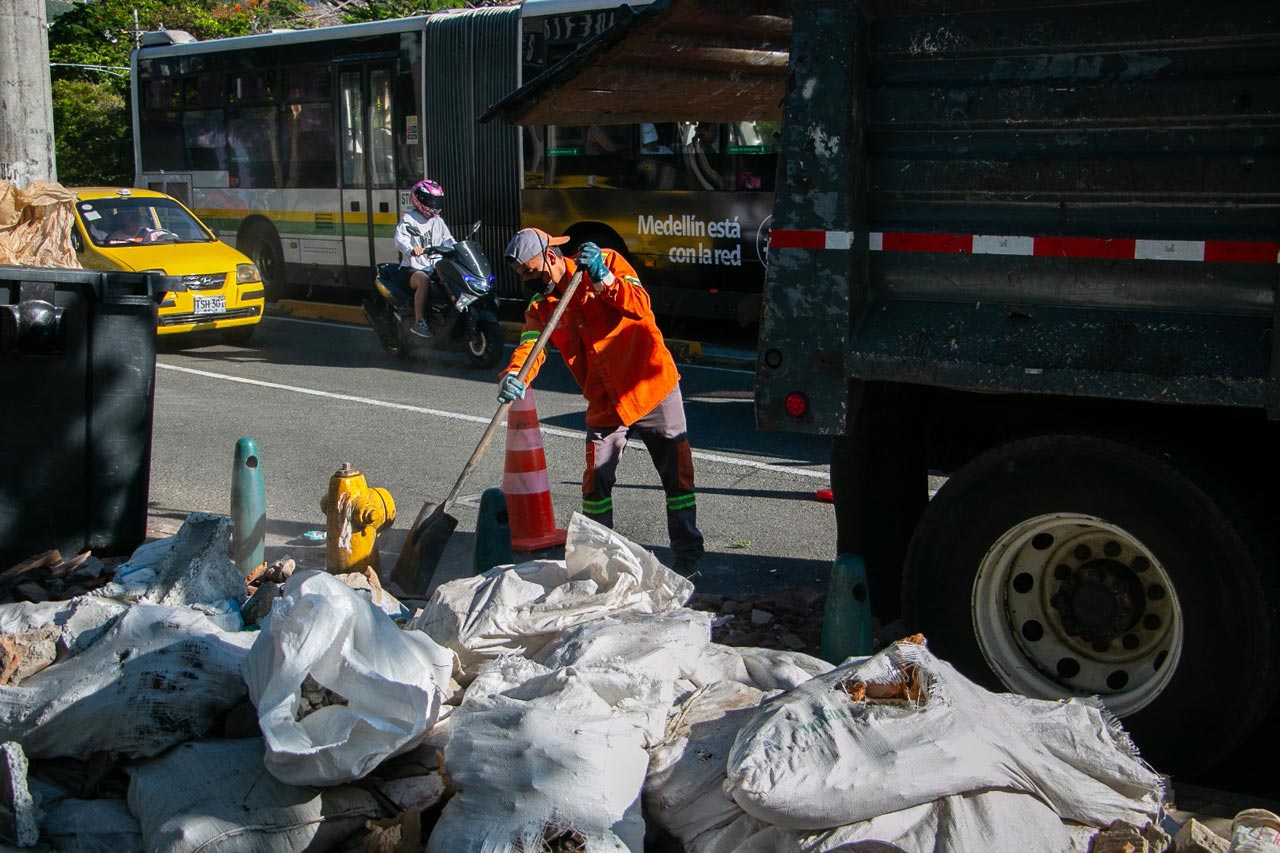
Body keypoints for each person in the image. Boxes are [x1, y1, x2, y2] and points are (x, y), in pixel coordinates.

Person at [498, 227, 706, 576]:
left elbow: (640, 306)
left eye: (531, 272)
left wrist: (603, 277)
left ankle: (688, 559)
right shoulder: (541, 307)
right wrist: (514, 376)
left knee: (678, 477)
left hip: (650, 385)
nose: (528, 281)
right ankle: (598, 563)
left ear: (550, 257)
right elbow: (531, 349)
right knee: (596, 482)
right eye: (521, 275)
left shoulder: (606, 263)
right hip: (604, 400)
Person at [394, 179, 454, 338]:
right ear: (418, 199)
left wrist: (458, 250)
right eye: (430, 201)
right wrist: (410, 249)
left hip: (433, 267)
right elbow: (400, 239)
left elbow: (449, 241)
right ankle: (419, 322)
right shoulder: (409, 219)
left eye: (437, 201)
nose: (434, 205)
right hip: (412, 269)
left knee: (451, 279)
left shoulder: (438, 221)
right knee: (424, 280)